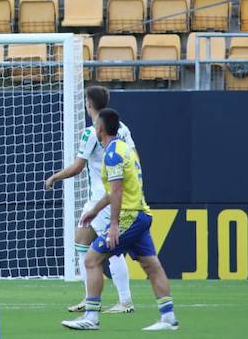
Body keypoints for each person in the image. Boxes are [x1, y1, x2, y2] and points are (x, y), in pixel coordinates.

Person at [62, 107, 178, 332]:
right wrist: (95, 210)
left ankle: (91, 317)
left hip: (129, 217)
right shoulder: (124, 148)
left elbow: (116, 192)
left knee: (92, 260)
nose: (94, 129)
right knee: (152, 265)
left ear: (101, 129)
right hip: (141, 214)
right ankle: (168, 317)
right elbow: (115, 190)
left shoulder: (113, 154)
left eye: (96, 126)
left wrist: (114, 224)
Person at [44, 84, 135, 316]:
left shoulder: (91, 131)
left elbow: (77, 167)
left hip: (102, 199)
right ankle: (90, 297)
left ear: (89, 104)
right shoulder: (122, 127)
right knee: (82, 243)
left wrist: (55, 177)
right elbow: (133, 158)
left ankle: (124, 301)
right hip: (112, 195)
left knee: (111, 249)